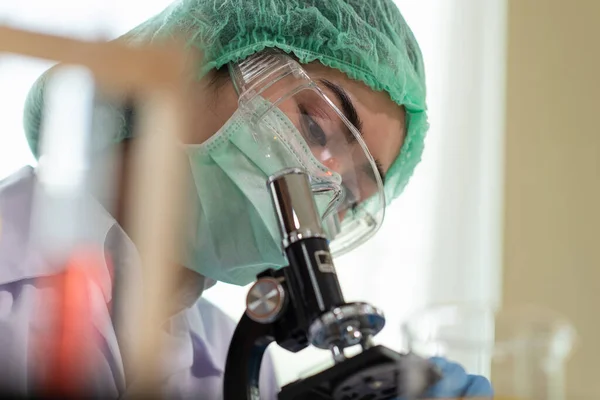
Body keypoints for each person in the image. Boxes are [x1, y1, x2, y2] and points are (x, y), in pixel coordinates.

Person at [0, 0, 493, 398]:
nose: (322, 186)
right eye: (317, 125)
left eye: (350, 196)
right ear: (196, 64)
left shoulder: (236, 366)